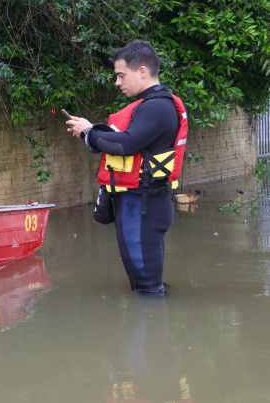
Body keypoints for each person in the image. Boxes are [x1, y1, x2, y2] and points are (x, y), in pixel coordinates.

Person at [66, 40, 188, 294]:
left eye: (121, 75)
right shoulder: (153, 104)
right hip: (143, 204)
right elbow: (129, 139)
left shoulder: (156, 106)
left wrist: (88, 134)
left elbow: (126, 145)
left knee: (147, 289)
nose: (117, 82)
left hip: (142, 207)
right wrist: (92, 130)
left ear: (142, 71)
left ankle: (154, 318)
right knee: (147, 284)